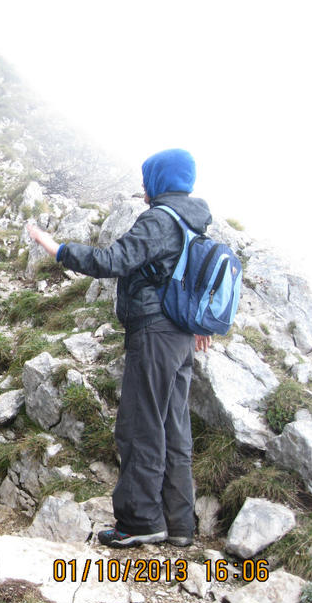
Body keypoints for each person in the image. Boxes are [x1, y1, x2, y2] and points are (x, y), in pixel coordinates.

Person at [26, 148, 211, 549]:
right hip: (181, 338)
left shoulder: (160, 220)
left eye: (149, 179)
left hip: (155, 333)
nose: (143, 187)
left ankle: (140, 521)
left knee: (141, 427)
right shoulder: (195, 221)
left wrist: (57, 249)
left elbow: (113, 260)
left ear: (161, 181)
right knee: (174, 429)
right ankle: (179, 524)